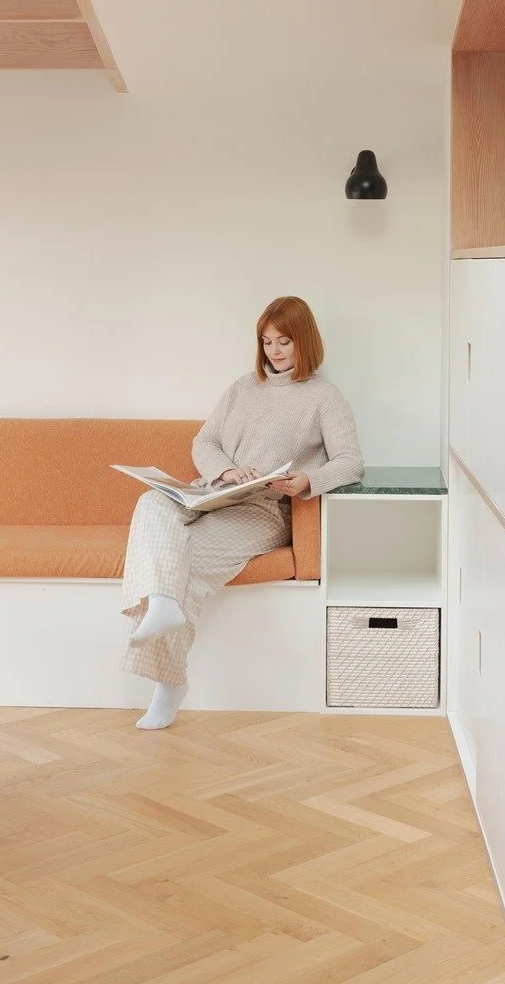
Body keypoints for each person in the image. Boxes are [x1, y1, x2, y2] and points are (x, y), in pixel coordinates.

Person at [120, 295, 364, 729]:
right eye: (267, 341)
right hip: (213, 491)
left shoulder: (324, 397)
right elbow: (204, 442)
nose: (274, 351)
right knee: (150, 500)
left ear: (304, 341)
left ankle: (168, 684)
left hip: (261, 509)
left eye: (284, 342)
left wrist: (306, 481)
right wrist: (227, 470)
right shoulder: (242, 387)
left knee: (187, 561)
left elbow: (350, 461)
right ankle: (161, 601)